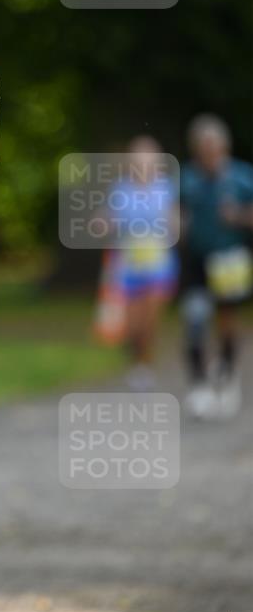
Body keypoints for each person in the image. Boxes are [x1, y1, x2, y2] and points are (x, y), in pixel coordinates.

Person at [180, 115, 253, 419]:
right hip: (197, 260)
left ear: (224, 147)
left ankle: (227, 374)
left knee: (227, 319)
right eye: (203, 147)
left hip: (230, 260)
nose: (209, 153)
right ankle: (198, 383)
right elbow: (176, 213)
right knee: (195, 319)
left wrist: (239, 216)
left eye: (214, 147)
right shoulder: (186, 178)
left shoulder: (242, 176)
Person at [92, 136, 179, 390]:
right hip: (128, 263)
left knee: (149, 320)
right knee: (132, 322)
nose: (142, 162)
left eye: (147, 157)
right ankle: (136, 361)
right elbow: (110, 216)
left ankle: (145, 364)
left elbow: (174, 222)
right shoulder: (121, 188)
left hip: (158, 263)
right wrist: (101, 223)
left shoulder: (166, 188)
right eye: (138, 158)